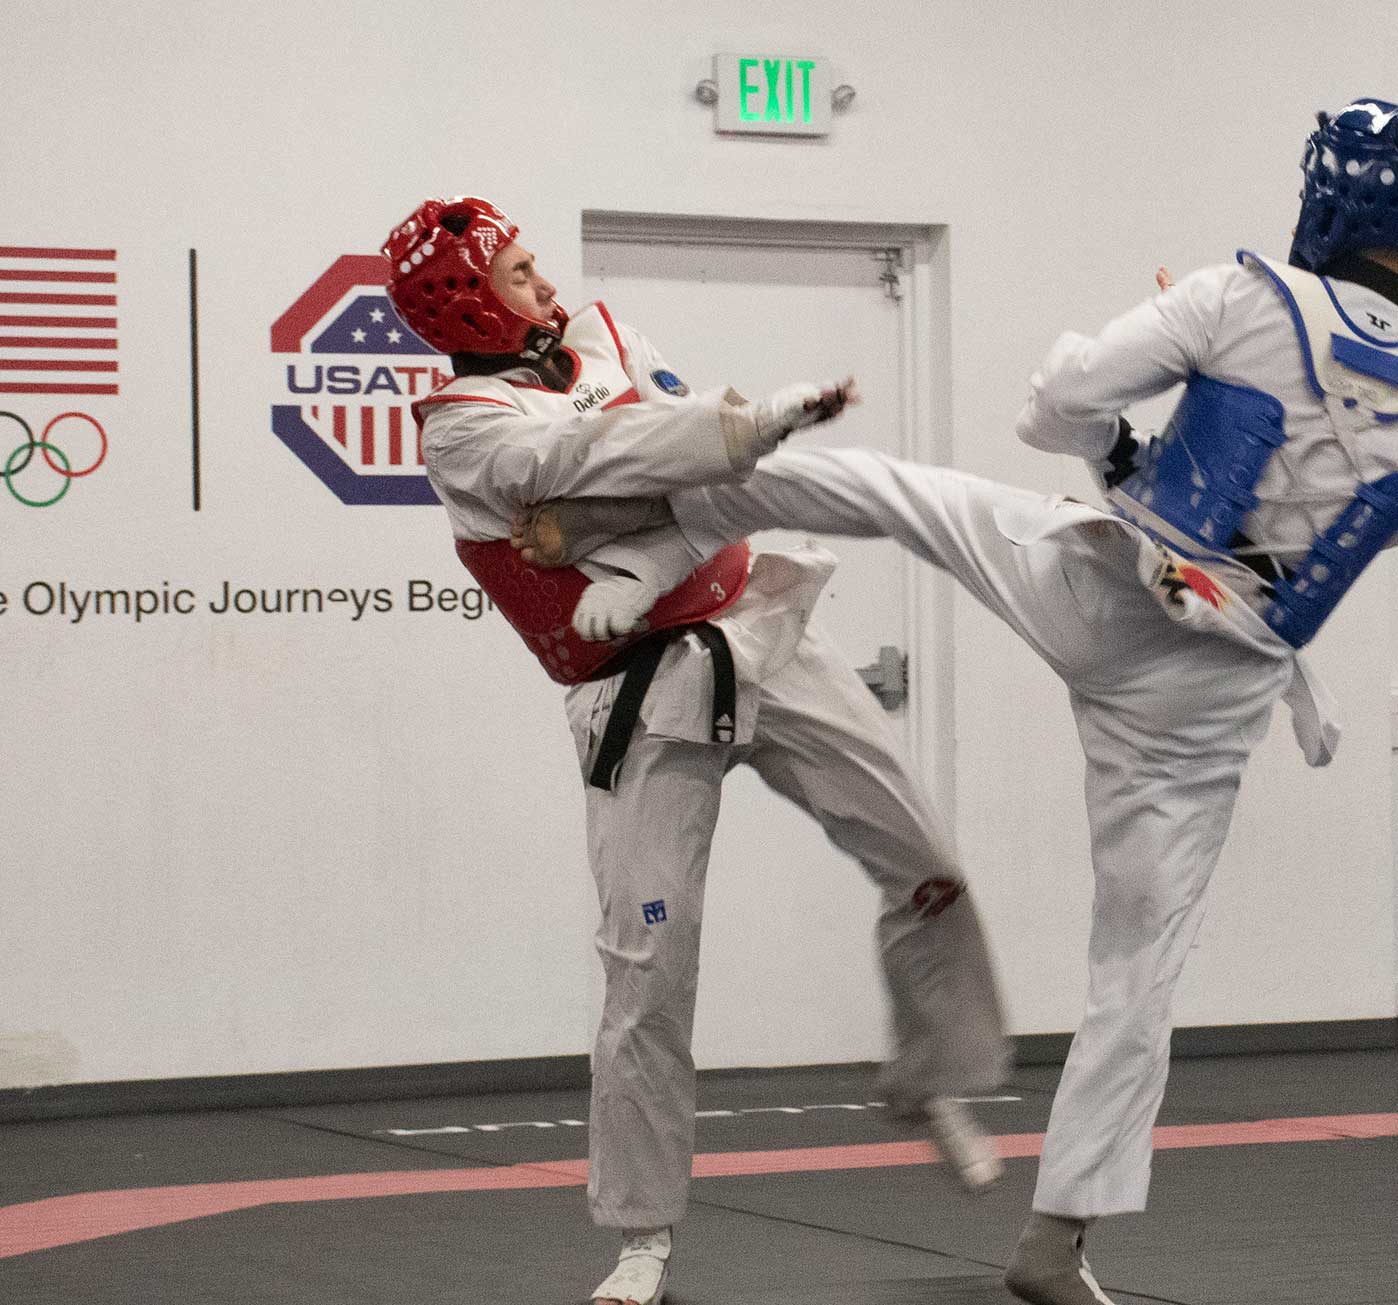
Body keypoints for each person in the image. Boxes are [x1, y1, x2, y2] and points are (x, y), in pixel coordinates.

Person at [512, 99, 1398, 1305]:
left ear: (1323, 194)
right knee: (1141, 972)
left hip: (1103, 589)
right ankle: (1059, 1238)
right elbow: (1362, 524)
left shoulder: (1241, 299)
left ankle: (662, 549)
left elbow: (1054, 404)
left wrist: (1130, 441)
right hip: (1214, 683)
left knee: (882, 488)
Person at [381, 196, 1011, 1305]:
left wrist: (612, 535)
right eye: (520, 272)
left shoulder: (612, 336)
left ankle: (933, 1076)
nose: (547, 284)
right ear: (474, 302)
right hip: (638, 700)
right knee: (648, 969)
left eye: (534, 263)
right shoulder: (462, 430)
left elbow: (677, 489)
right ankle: (641, 1236)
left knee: (926, 863)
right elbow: (594, 449)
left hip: (762, 629)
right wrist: (729, 431)